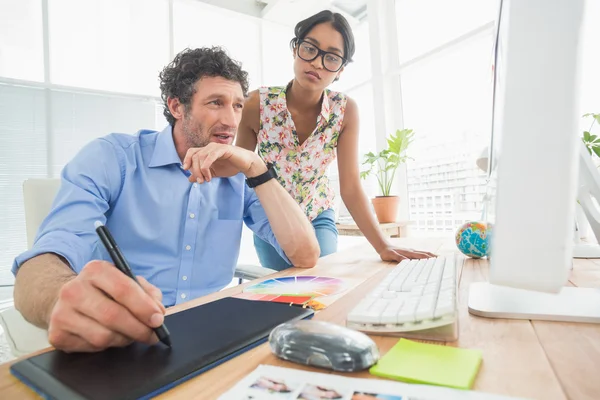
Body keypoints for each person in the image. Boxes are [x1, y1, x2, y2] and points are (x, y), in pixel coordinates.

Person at [11, 47, 320, 353]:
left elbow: (305, 255)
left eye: (238, 106)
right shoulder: (112, 158)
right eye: (216, 103)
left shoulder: (243, 174)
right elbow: (45, 261)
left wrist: (257, 167)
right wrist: (60, 298)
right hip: (128, 333)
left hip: (213, 329)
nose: (230, 120)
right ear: (176, 106)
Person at [236, 10, 435, 271]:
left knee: (322, 280)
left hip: (318, 212)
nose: (317, 63)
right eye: (310, 49)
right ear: (295, 49)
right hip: (273, 216)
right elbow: (238, 175)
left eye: (331, 57)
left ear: (340, 70)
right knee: (287, 290)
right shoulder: (256, 104)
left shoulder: (345, 111)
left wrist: (383, 245)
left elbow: (350, 187)